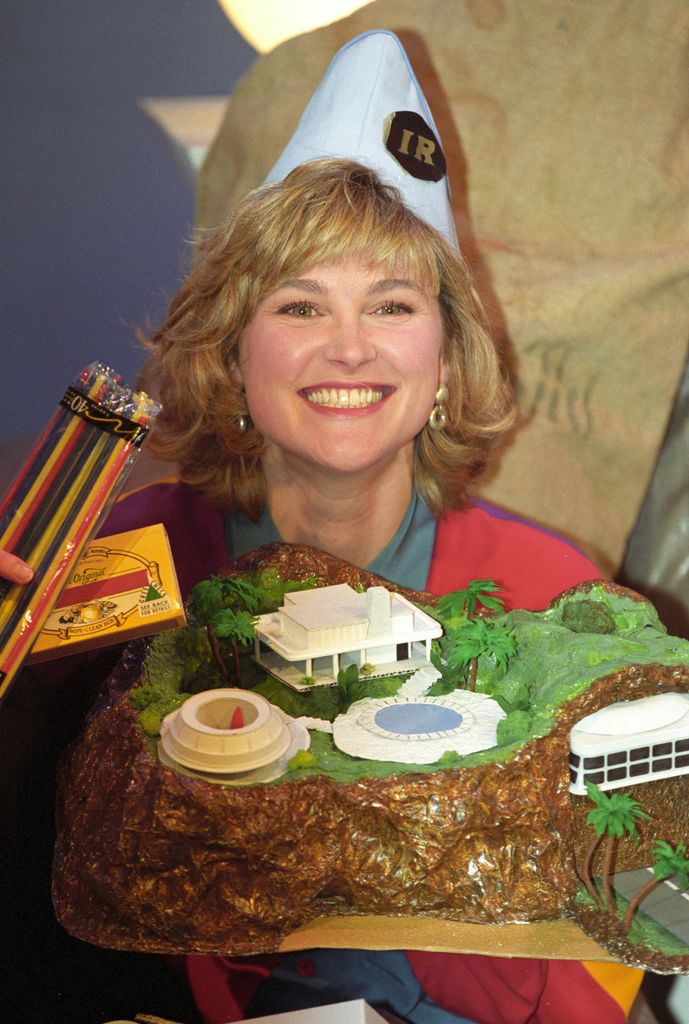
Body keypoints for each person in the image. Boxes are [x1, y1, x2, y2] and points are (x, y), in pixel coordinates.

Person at [3, 30, 642, 1024]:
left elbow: (600, 956)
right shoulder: (123, 565)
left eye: (389, 305)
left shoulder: (550, 595)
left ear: (443, 360)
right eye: (300, 307)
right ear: (234, 355)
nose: (348, 347)